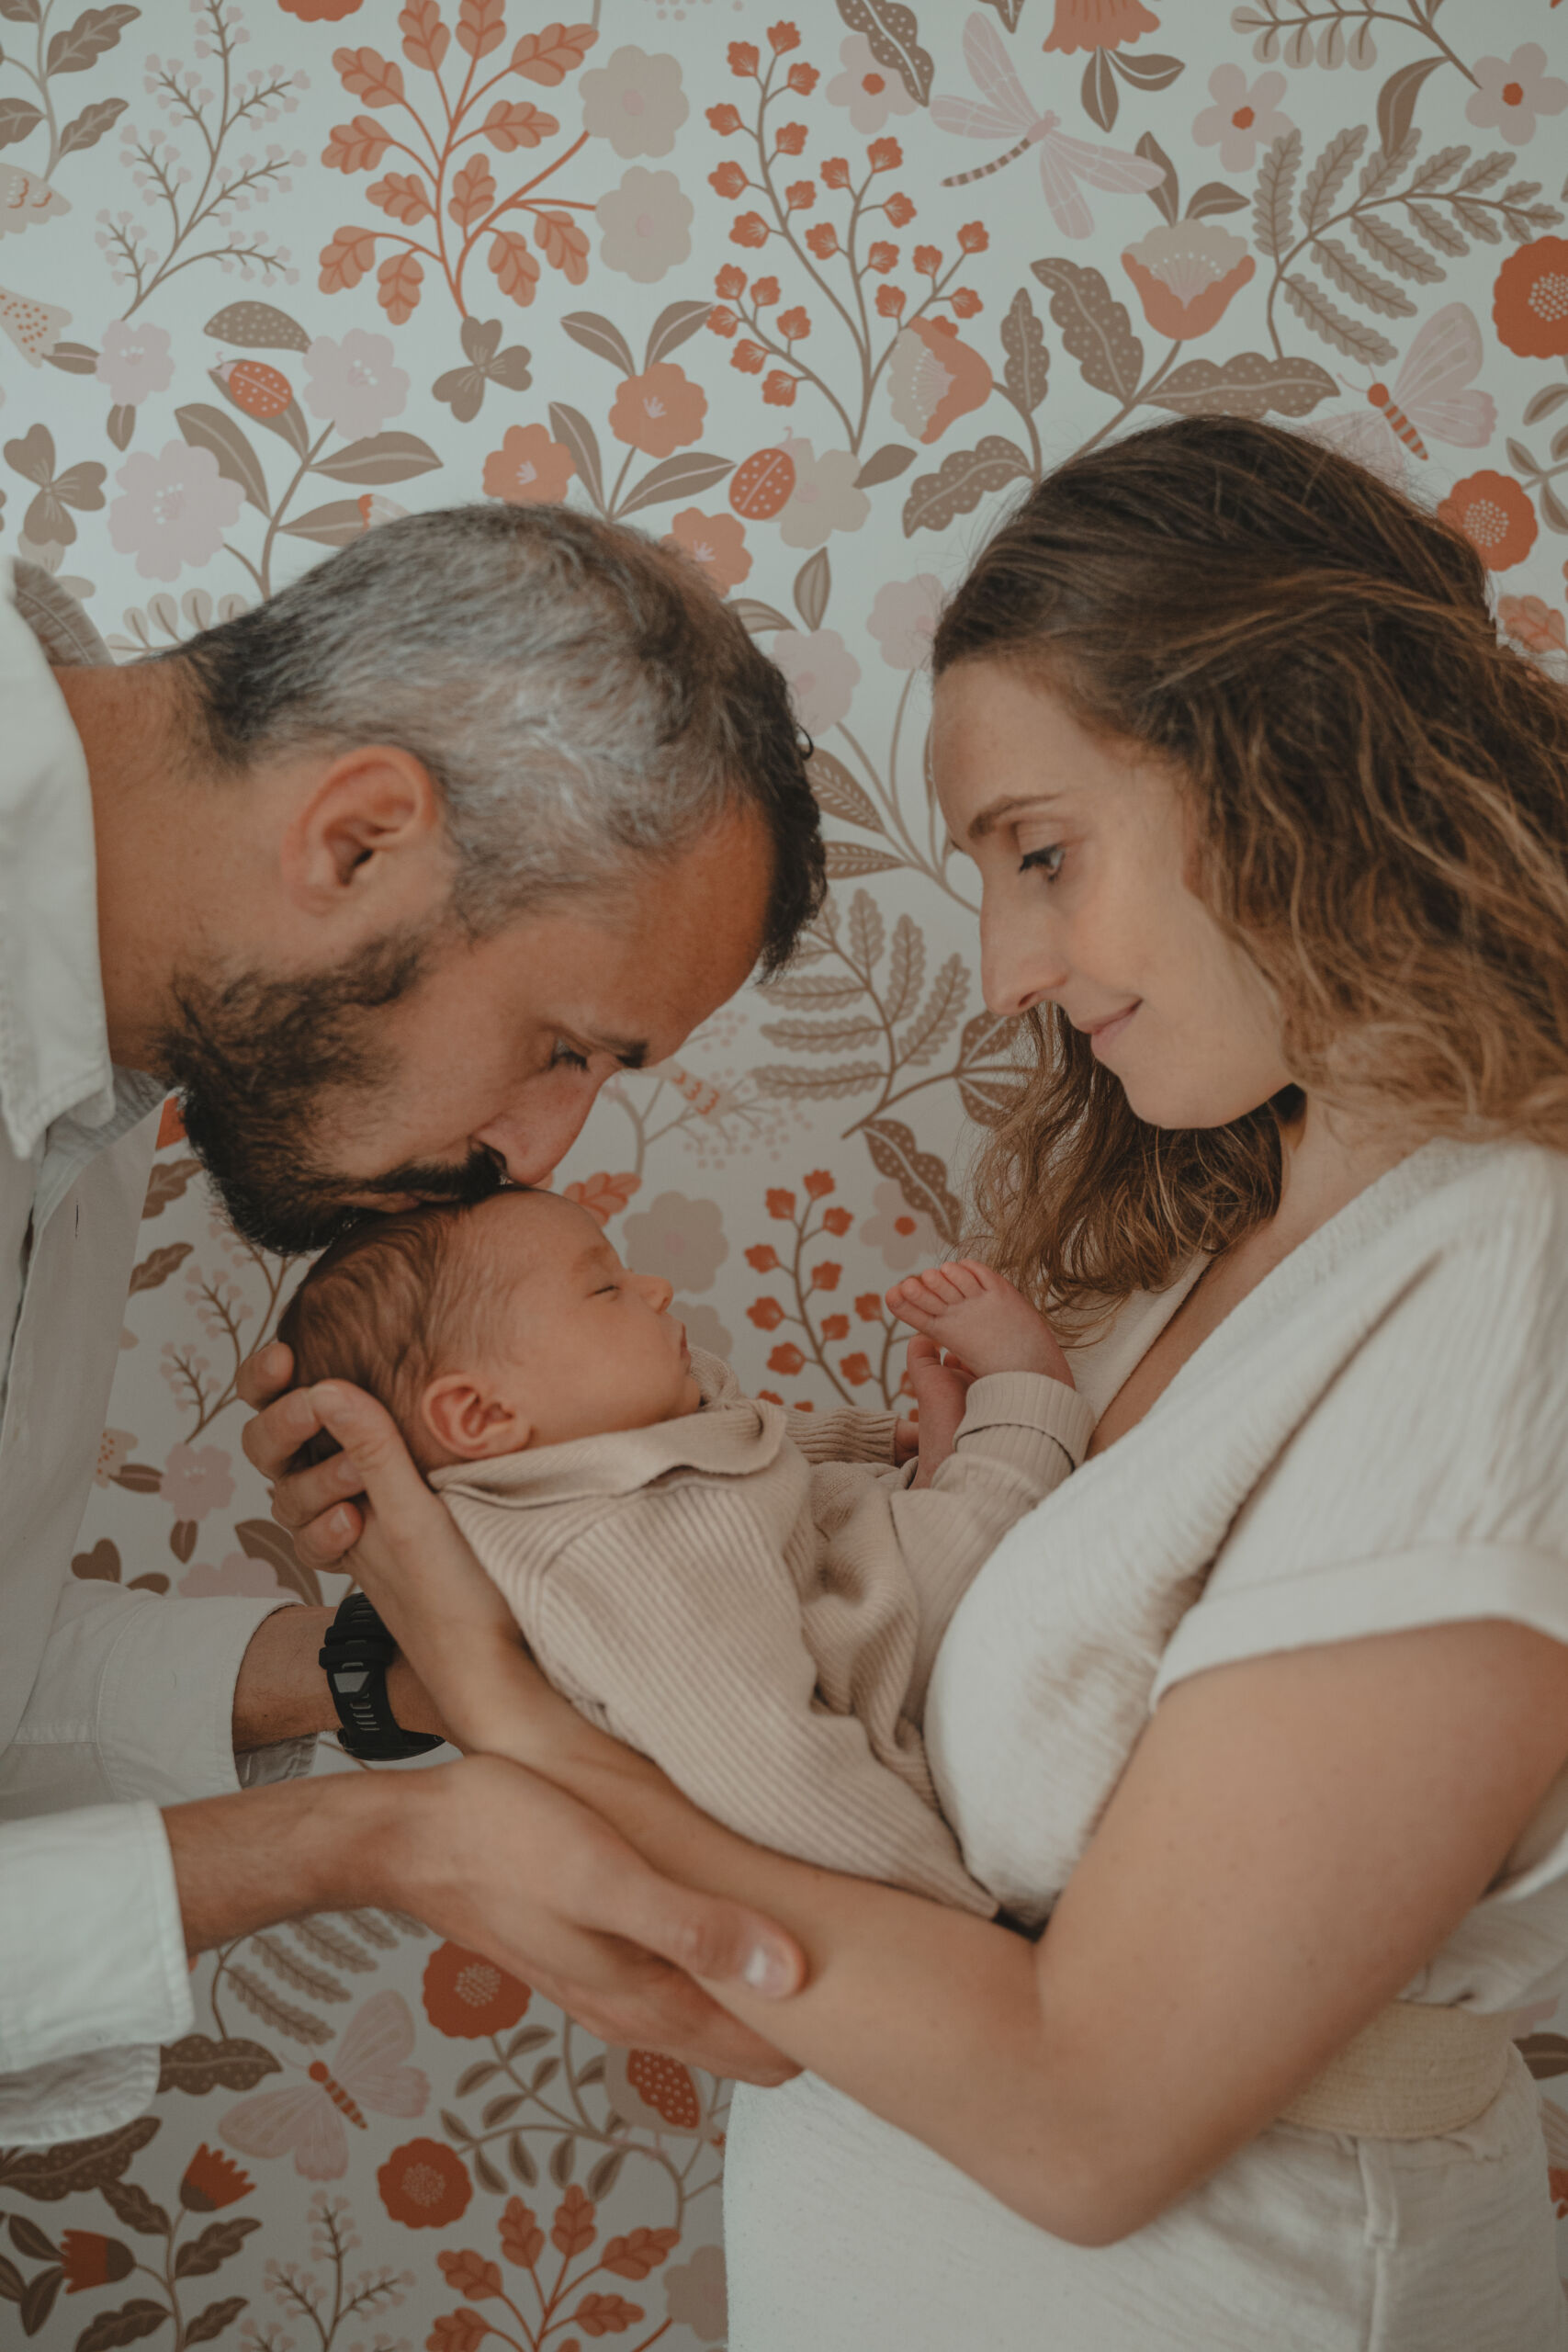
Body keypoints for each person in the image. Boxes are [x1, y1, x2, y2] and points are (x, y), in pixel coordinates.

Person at [285, 418, 1568, 2349]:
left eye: (1041, 851)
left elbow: (1089, 2120)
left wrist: (514, 1723)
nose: (1001, 967)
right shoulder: (1207, 1269)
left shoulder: (1500, 1279)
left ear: (1292, 759)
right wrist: (442, 1623)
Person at [0, 505, 823, 2147]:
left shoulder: (86, 1079)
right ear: (361, 837)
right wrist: (378, 1842)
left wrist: (394, 1677)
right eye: (563, 1048)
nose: (538, 1160)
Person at [272, 1186, 1091, 1916]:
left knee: (868, 1504)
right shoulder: (611, 1560)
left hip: (806, 1561)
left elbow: (750, 1437)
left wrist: (884, 1437)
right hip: (860, 1684)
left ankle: (934, 1463)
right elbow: (771, 1770)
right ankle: (1026, 1399)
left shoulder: (617, 1427)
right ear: (481, 1417)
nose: (655, 1288)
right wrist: (948, 1910)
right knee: (947, 1554)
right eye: (605, 1287)